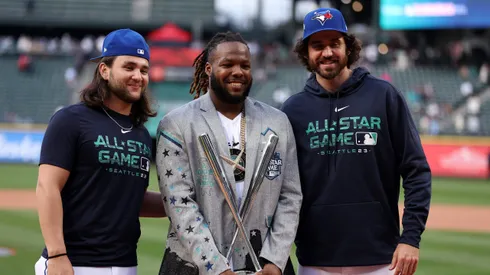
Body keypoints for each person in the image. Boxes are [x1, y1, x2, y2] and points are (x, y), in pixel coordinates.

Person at [281, 8, 432, 275]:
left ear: (348, 48)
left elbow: (416, 171)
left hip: (381, 260)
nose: (327, 52)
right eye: (317, 45)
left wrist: (410, 238)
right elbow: (280, 188)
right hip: (315, 261)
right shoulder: (293, 110)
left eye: (334, 44)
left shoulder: (384, 96)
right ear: (306, 53)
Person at [155, 31, 302, 275]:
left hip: (264, 266)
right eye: (228, 64)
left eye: (245, 65)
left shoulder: (277, 122)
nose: (238, 71)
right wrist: (216, 268)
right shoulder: (177, 124)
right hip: (194, 266)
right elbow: (179, 203)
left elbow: (290, 196)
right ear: (209, 69)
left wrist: (275, 260)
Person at [35, 28, 167, 275]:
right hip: (73, 263)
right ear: (104, 70)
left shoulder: (141, 134)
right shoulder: (70, 120)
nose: (138, 76)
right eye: (129, 67)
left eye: (144, 69)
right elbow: (47, 187)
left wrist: (183, 203)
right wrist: (57, 254)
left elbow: (131, 200)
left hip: (126, 265)